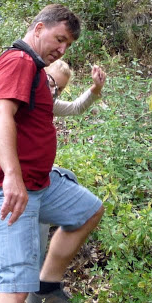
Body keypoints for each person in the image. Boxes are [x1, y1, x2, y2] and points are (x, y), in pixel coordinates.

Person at [0, 4, 104, 303]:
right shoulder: (17, 61)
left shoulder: (38, 71)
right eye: (59, 38)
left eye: (68, 44)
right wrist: (12, 176)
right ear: (38, 27)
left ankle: (47, 286)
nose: (62, 49)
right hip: (7, 188)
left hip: (41, 184)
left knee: (88, 209)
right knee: (13, 285)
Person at [38, 60, 107, 266]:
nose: (53, 91)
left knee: (68, 177)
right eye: (51, 83)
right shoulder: (23, 96)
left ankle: (42, 280)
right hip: (19, 179)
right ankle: (36, 282)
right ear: (42, 74)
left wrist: (96, 88)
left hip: (40, 176)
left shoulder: (48, 102)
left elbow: (76, 107)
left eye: (59, 88)